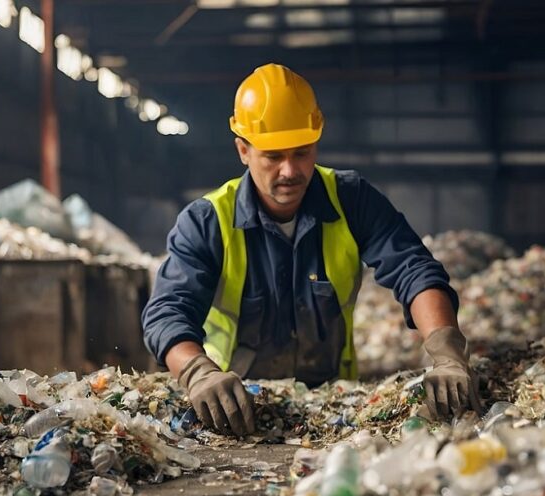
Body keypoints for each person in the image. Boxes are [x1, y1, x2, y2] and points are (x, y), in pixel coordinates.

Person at [142, 63, 482, 436]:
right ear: (243, 150)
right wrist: (198, 373)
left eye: (301, 153)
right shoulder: (207, 221)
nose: (290, 170)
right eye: (273, 156)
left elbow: (414, 269)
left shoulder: (352, 200)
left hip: (333, 410)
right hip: (239, 411)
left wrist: (446, 352)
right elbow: (167, 312)